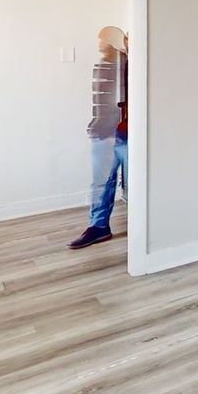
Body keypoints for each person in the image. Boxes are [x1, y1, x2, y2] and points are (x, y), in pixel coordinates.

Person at [69, 26, 128, 249]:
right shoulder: (105, 65)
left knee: (137, 181)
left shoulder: (132, 63)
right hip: (106, 132)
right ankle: (98, 227)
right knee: (102, 182)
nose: (99, 43)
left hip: (128, 132)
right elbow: (103, 101)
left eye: (102, 39)